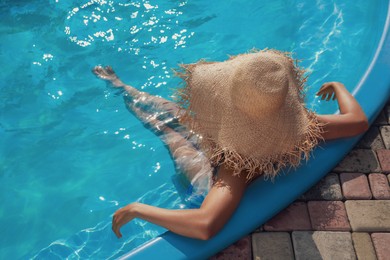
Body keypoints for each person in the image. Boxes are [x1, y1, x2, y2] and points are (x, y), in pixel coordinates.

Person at [93, 49, 368, 240]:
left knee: (167, 131)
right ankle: (122, 86)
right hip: (227, 143)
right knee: (174, 112)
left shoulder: (239, 168)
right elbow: (357, 121)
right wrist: (340, 86)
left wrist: (138, 209)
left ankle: (120, 88)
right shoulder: (304, 126)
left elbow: (205, 225)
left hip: (207, 177)